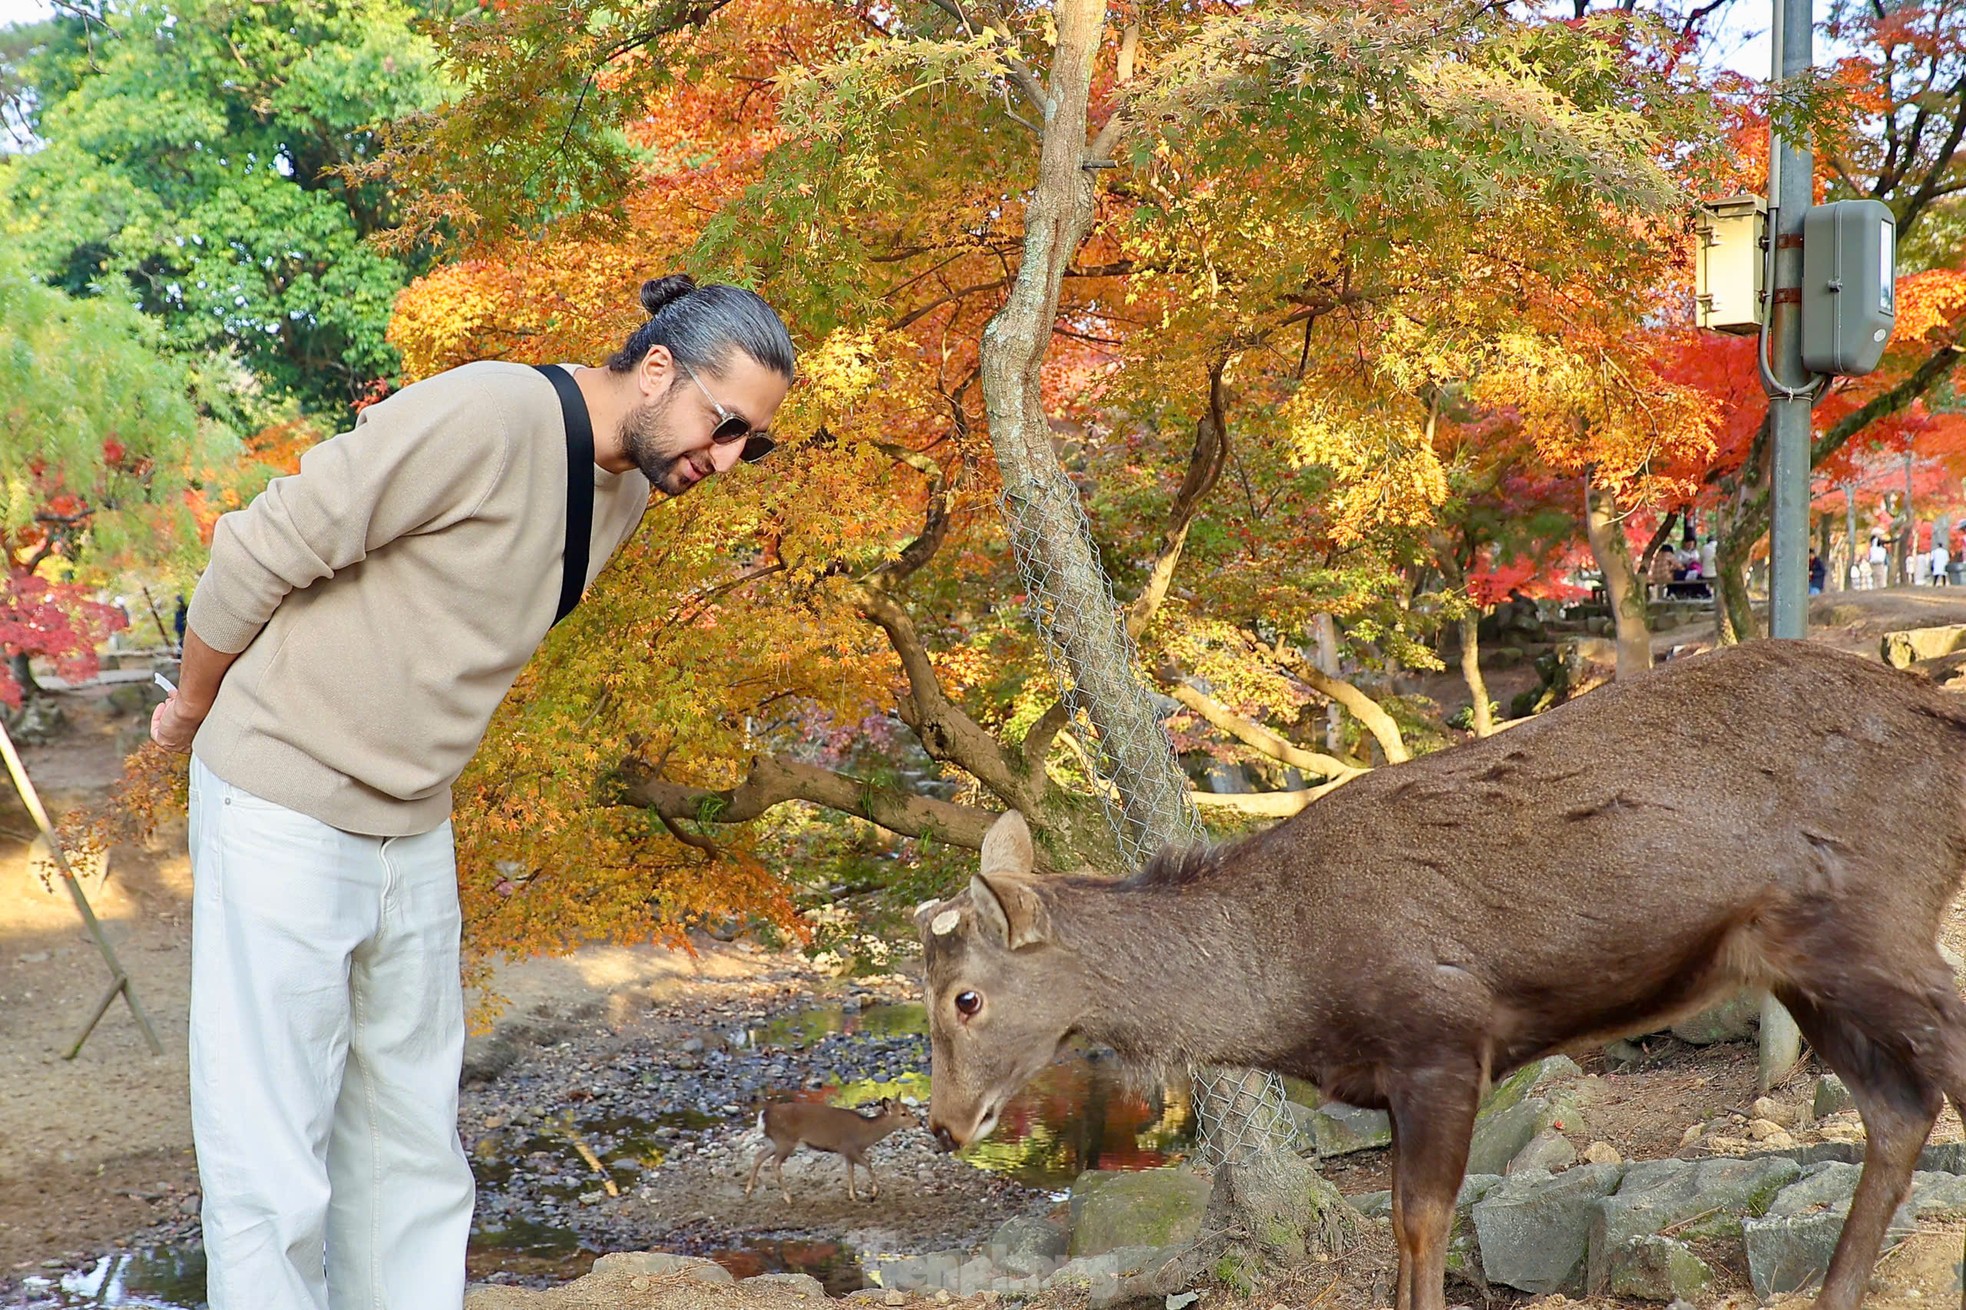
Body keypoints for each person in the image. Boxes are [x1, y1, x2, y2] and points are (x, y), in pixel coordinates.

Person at [147, 275, 795, 1310]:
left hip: (412, 824)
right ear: (660, 368)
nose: (724, 461)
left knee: (409, 1146)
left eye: (749, 447)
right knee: (270, 1155)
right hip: (282, 793)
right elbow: (263, 542)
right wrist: (188, 706)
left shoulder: (624, 493)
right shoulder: (488, 409)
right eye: (725, 427)